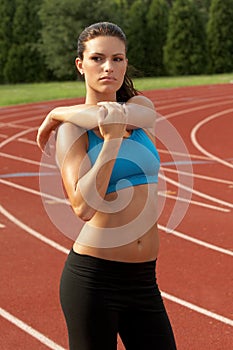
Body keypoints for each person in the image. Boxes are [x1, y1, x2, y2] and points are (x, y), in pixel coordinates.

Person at [37, 22, 177, 350]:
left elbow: (115, 114)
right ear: (80, 64)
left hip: (144, 279)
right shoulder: (71, 133)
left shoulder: (142, 110)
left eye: (117, 59)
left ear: (126, 64)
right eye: (98, 58)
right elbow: (83, 206)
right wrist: (111, 142)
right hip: (94, 280)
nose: (108, 67)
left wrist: (59, 110)